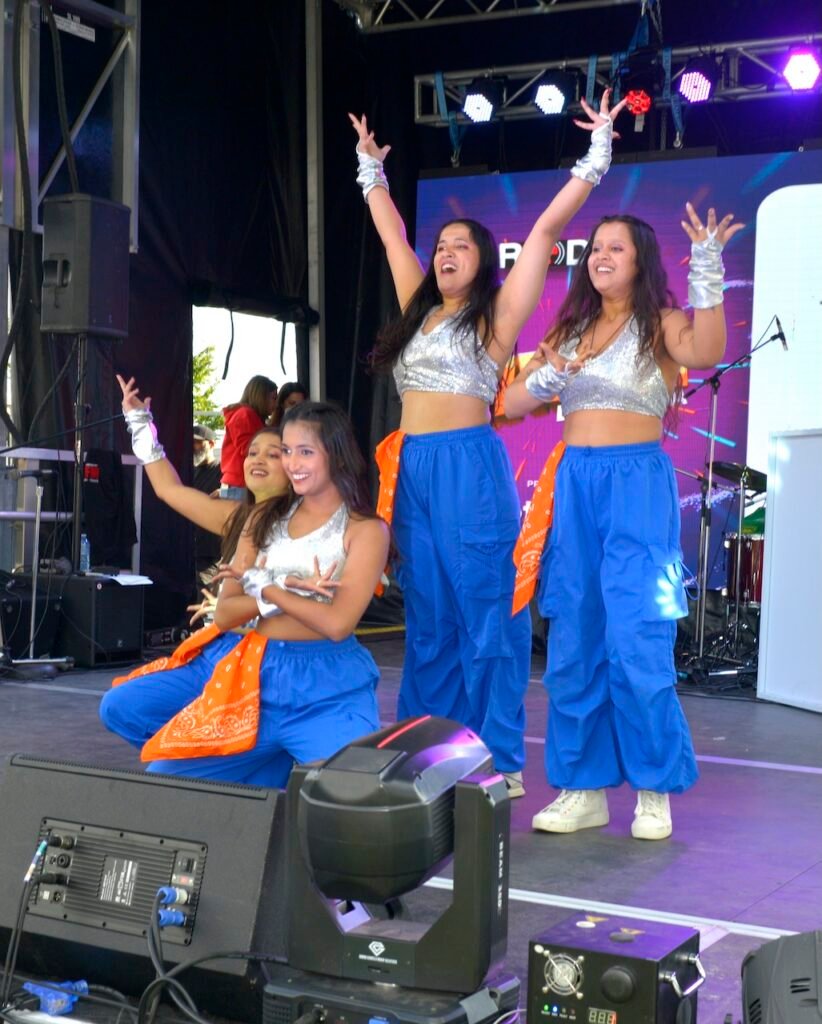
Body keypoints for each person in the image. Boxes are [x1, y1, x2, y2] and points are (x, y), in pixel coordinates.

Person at [349, 91, 625, 797]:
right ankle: (427, 747)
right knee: (429, 619)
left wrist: (595, 157)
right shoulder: (417, 309)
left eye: (460, 246)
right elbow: (392, 238)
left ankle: (497, 759)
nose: (445, 253)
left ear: (481, 264)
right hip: (413, 470)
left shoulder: (495, 319)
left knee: (488, 614)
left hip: (469, 466)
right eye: (441, 246)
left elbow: (542, 232)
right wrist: (371, 170)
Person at [503, 204, 744, 839]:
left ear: (640, 261)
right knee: (575, 639)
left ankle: (654, 789)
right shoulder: (574, 328)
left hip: (636, 486)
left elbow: (710, 349)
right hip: (575, 487)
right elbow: (514, 401)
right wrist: (551, 374)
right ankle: (582, 788)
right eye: (596, 248)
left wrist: (708, 268)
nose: (601, 256)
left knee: (638, 638)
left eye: (616, 247)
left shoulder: (660, 323)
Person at [101, 400, 390, 788]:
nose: (292, 462)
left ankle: (278, 770)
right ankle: (271, 769)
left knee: (349, 793)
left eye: (304, 452)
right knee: (167, 786)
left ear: (336, 455)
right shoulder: (259, 518)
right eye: (287, 451)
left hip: (326, 687)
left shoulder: (366, 530)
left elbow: (337, 623)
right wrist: (284, 591)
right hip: (257, 677)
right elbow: (224, 614)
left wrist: (266, 586)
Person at [220, 375, 278, 498]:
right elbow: (248, 449)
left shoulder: (251, 416)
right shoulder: (245, 414)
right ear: (261, 397)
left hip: (242, 484)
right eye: (273, 398)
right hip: (239, 485)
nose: (276, 404)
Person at [191, 424, 223, 588]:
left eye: (197, 442)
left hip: (211, 556)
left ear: (211, 444)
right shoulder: (191, 472)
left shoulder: (222, 471)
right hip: (191, 552)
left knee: (204, 597)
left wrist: (224, 492)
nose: (193, 447)